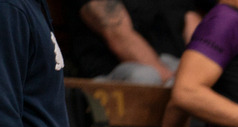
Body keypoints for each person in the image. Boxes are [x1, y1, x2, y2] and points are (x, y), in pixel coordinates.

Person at [68, 0, 204, 85]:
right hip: (115, 75)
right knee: (146, 76)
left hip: (175, 66)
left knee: (211, 75)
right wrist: (181, 84)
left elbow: (190, 17)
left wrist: (198, 72)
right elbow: (118, 36)